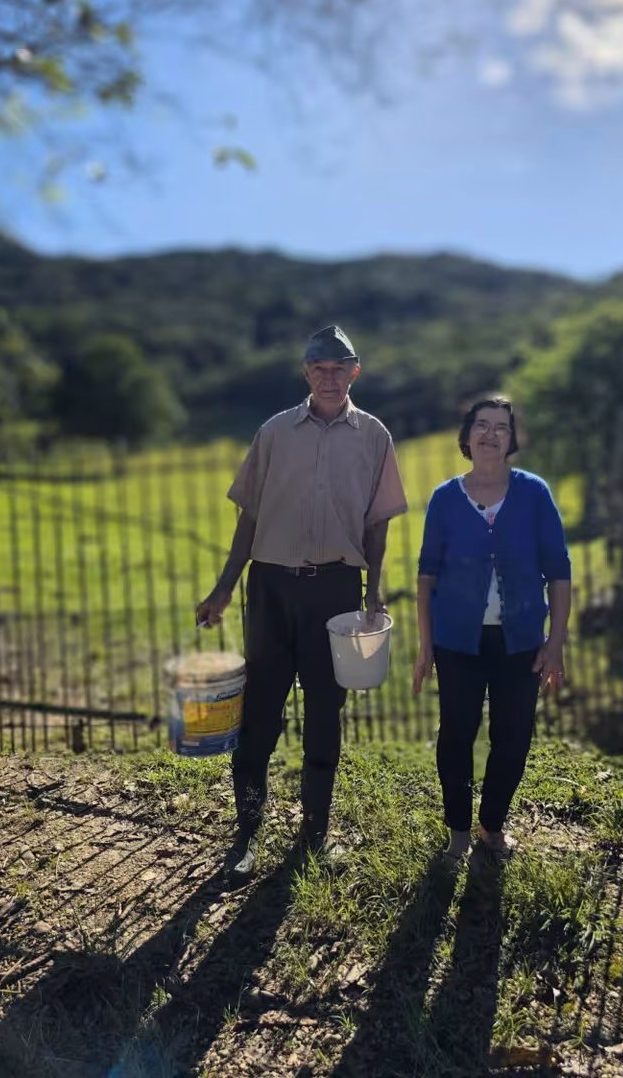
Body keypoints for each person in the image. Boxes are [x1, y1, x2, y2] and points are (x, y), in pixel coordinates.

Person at [196, 325, 408, 878]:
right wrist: (224, 586)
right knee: (260, 710)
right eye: (319, 369)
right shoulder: (274, 433)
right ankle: (246, 835)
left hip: (336, 591)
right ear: (306, 372)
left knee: (324, 712)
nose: (329, 378)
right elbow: (249, 517)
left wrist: (374, 589)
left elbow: (378, 524)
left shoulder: (374, 436)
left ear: (355, 372)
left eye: (339, 369)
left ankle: (315, 834)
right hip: (270, 587)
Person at [413, 397, 571, 862]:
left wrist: (556, 643)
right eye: (481, 425)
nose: (490, 434)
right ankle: (459, 831)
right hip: (457, 642)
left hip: (520, 642)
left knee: (513, 737)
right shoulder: (445, 499)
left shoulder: (534, 493)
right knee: (456, 735)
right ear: (466, 436)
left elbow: (559, 571)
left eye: (501, 427)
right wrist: (425, 646)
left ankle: (492, 826)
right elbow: (427, 576)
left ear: (512, 439)